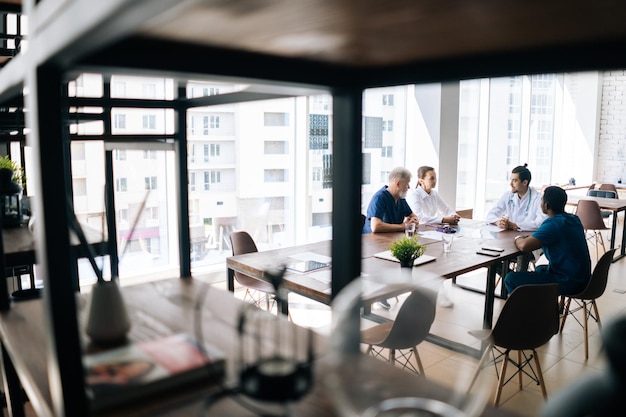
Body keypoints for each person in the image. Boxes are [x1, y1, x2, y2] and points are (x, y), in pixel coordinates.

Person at [504, 186, 591, 295]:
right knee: (540, 269)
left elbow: (524, 246)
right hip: (582, 277)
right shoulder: (573, 219)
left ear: (546, 206)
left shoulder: (553, 224)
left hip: (568, 281)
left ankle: (526, 310)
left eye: (541, 200)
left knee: (511, 279)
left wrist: (517, 238)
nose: (540, 202)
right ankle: (544, 305)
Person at [363, 167, 419, 308]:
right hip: (373, 244)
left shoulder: (400, 199)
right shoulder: (380, 197)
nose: (409, 187)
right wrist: (403, 226)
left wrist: (414, 221)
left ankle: (403, 290)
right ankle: (381, 292)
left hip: (390, 241)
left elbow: (413, 215)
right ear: (398, 183)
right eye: (407, 183)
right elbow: (376, 226)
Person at [406, 165, 460, 307]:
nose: (435, 181)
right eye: (431, 178)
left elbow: (446, 208)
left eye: (435, 178)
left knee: (439, 262)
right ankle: (436, 294)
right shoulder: (414, 195)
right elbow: (420, 218)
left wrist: (453, 215)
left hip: (432, 234)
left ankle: (438, 294)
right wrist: (443, 219)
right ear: (421, 180)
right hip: (419, 235)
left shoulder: (434, 194)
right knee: (431, 263)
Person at [486, 164, 547, 271]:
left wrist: (515, 225)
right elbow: (491, 215)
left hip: (530, 242)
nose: (510, 184)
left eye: (514, 181)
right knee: (487, 254)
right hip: (509, 239)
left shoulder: (538, 198)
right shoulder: (508, 195)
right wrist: (498, 222)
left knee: (522, 254)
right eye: (510, 180)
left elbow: (540, 223)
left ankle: (516, 282)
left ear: (525, 182)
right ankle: (510, 281)